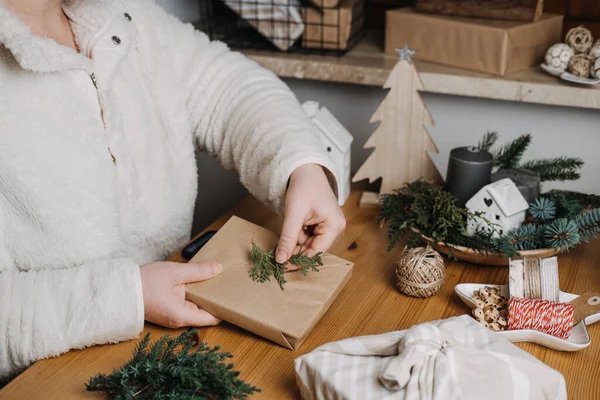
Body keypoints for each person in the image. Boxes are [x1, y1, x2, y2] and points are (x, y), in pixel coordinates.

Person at [0, 0, 346, 380]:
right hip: (52, 380)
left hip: (186, 347)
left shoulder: (123, 12)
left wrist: (299, 164)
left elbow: (228, 87)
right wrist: (126, 297)